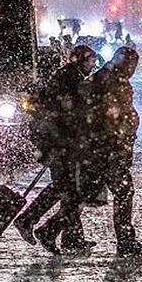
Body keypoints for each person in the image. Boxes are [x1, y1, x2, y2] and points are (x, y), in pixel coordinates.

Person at [14, 45, 97, 254]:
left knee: (64, 189)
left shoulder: (66, 77)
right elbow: (68, 115)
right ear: (80, 61)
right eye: (89, 62)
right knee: (70, 192)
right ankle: (32, 223)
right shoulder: (71, 80)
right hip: (60, 144)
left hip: (58, 143)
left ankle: (71, 237)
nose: (92, 66)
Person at [82, 46, 142, 257]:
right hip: (109, 149)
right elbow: (111, 117)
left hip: (105, 147)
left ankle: (50, 228)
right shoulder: (112, 82)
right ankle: (125, 242)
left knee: (82, 193)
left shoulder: (107, 77)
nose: (133, 70)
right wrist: (118, 140)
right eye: (132, 65)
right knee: (123, 192)